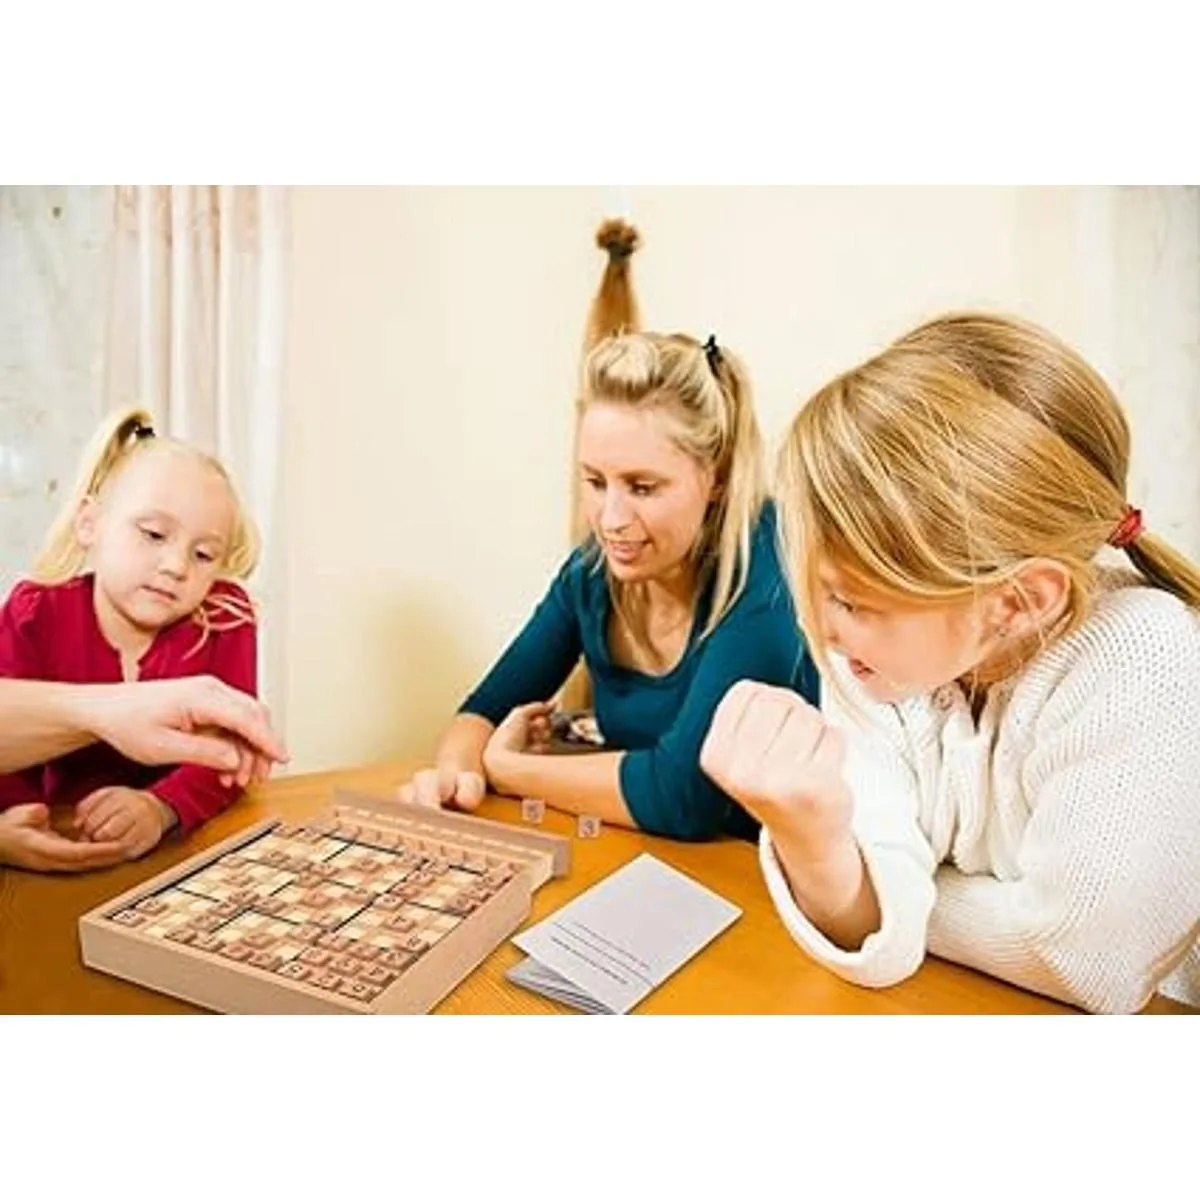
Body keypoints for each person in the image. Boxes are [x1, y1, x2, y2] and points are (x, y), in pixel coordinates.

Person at [699, 311, 1200, 1013]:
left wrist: (908, 895)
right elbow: (877, 940)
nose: (822, 629)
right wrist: (812, 843)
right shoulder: (879, 664)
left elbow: (1087, 965)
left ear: (1019, 601)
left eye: (852, 601)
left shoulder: (1143, 655)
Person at [401, 329, 819, 841]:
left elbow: (682, 799)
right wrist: (456, 776)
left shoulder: (768, 575)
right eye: (596, 482)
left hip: (764, 871)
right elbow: (485, 711)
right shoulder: (593, 572)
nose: (611, 519)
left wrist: (507, 769)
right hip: (651, 855)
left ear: (719, 476)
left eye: (643, 487)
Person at [0, 407, 266, 872]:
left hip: (178, 855)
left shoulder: (226, 617)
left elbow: (228, 757)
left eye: (204, 554)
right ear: (90, 523)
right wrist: (14, 820)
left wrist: (161, 808)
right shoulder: (33, 613)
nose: (177, 566)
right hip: (56, 842)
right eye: (154, 534)